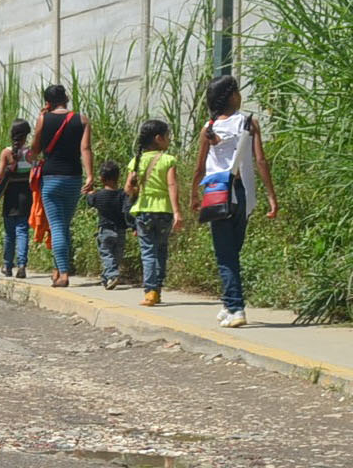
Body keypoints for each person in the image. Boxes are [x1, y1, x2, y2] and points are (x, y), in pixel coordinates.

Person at [191, 75, 278, 328]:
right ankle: (229, 303)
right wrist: (271, 196)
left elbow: (199, 169)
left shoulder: (208, 127)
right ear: (231, 96)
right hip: (242, 194)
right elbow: (261, 162)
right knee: (232, 252)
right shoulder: (249, 122)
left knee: (225, 254)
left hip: (217, 193)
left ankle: (236, 308)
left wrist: (193, 196)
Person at [30, 84, 94, 287]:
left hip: (51, 178)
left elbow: (34, 150)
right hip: (73, 178)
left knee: (56, 227)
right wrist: (90, 175)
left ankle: (64, 274)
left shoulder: (43, 119)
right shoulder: (82, 119)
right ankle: (57, 269)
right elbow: (86, 148)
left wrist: (41, 120)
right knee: (63, 225)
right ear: (66, 98)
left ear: (47, 103)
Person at [125, 119, 183, 306]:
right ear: (159, 139)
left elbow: (128, 190)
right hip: (164, 211)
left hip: (143, 210)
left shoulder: (136, 161)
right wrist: (177, 212)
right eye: (167, 136)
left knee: (148, 251)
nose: (169, 140)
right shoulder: (168, 160)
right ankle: (157, 287)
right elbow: (172, 185)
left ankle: (150, 291)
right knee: (161, 249)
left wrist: (133, 182)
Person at [0, 118, 34, 278]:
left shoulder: (6, 153)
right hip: (26, 196)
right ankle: (22, 265)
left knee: (9, 233)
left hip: (10, 196)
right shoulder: (30, 153)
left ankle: (7, 265)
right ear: (26, 135)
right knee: (22, 231)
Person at [84, 161, 129, 290]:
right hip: (120, 230)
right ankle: (106, 278)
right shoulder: (122, 195)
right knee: (116, 255)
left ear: (102, 178)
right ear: (118, 177)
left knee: (106, 254)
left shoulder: (98, 195)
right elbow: (127, 207)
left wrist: (89, 193)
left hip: (105, 230)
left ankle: (112, 275)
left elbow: (90, 201)